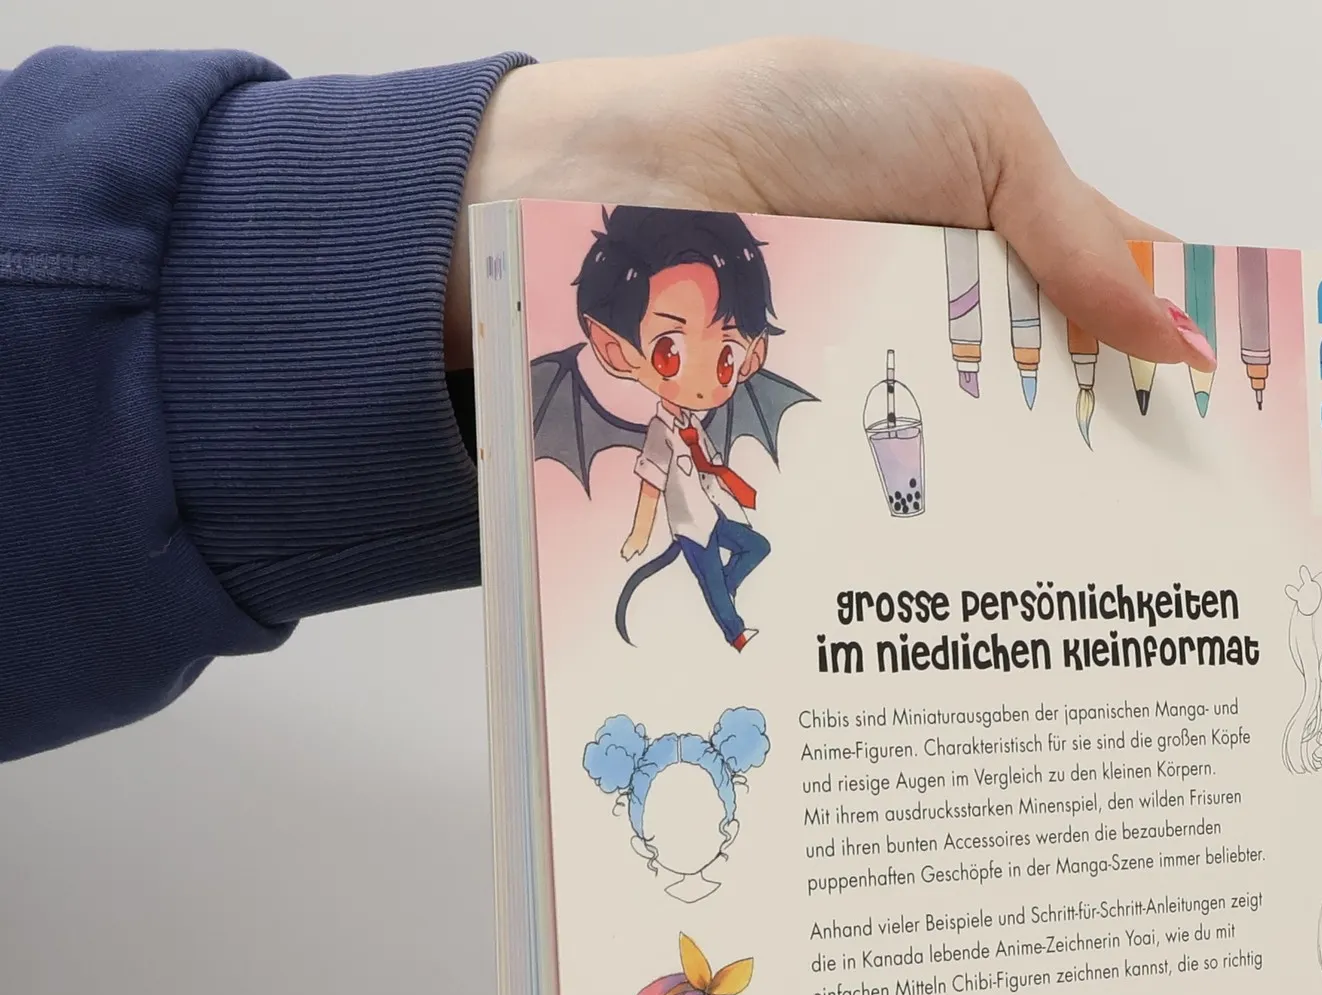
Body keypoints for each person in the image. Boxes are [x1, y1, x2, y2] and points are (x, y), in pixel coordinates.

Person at [0, 41, 1215, 761]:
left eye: (725, 343)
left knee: (740, 553)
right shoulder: (632, 416)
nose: (710, 362)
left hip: (715, 499)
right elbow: (645, 486)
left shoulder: (705, 405)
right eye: (674, 342)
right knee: (719, 571)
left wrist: (603, 176)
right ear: (613, 347)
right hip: (681, 518)